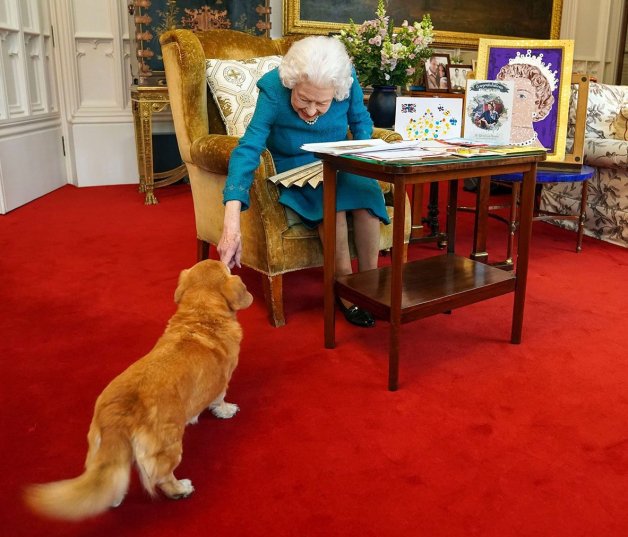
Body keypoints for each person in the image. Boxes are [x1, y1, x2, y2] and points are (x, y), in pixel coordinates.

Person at [218, 36, 389, 328]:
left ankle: (368, 285)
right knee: (331, 206)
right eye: (303, 99)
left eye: (322, 103)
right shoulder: (273, 87)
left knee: (367, 202)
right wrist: (231, 219)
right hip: (294, 164)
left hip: (339, 159)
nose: (311, 111)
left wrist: (364, 159)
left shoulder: (346, 80)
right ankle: (345, 289)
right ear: (291, 83)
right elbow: (249, 147)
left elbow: (361, 124)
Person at [496, 62, 554, 147]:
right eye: (506, 94)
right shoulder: (487, 143)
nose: (510, 102)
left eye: (521, 96)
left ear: (538, 104)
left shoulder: (536, 151)